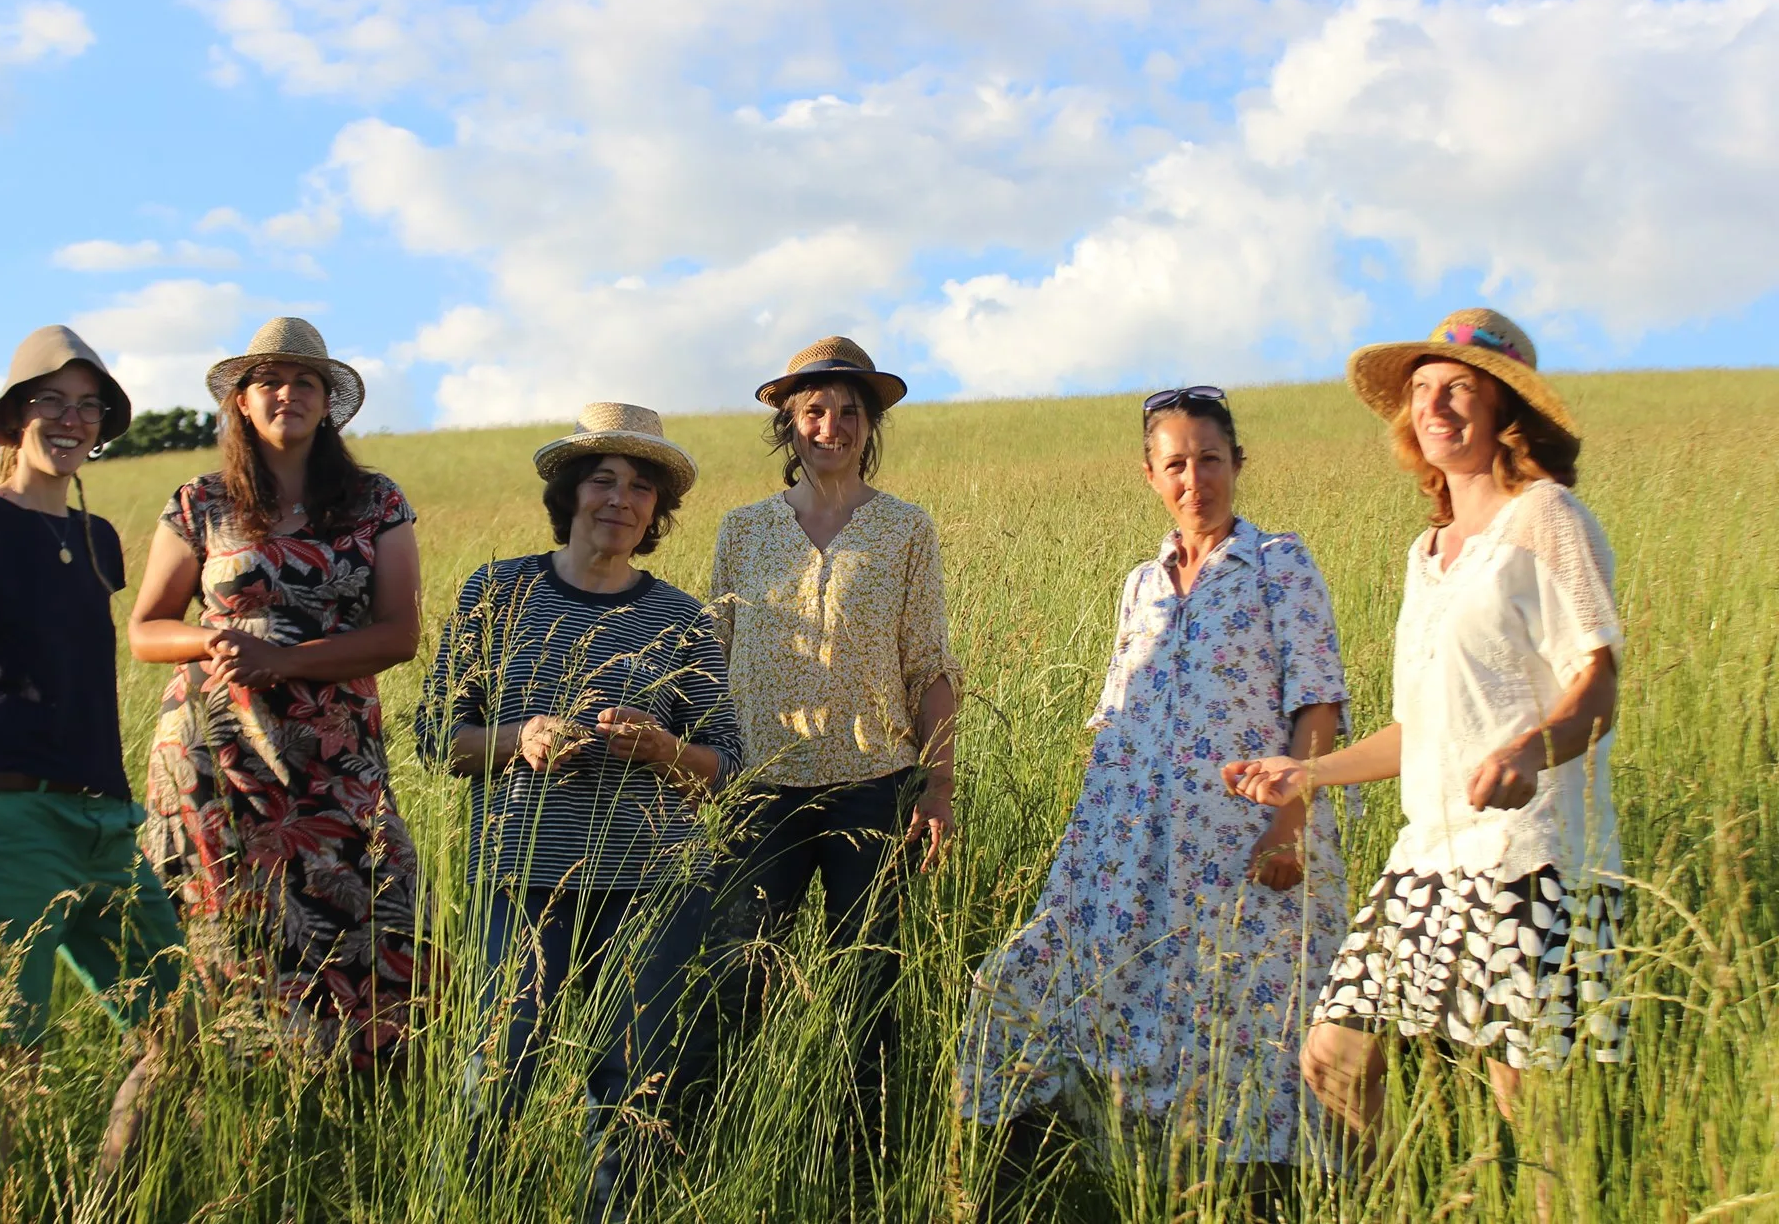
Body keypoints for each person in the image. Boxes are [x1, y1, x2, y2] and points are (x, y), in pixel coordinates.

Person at [1226, 308, 1627, 1152]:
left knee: (1534, 1106)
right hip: (1430, 855)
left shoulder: (1547, 517)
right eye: (1421, 390)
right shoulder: (1429, 551)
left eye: (1459, 388)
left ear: (1505, 408)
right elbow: (1419, 728)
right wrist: (1310, 774)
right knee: (1334, 1058)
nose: (1435, 405)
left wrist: (1529, 749)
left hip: (1530, 853)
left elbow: (1598, 684)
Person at [955, 387, 1350, 1204]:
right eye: (1176, 463)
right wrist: (1085, 848)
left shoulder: (1280, 564)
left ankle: (1263, 1191)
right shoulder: (1142, 583)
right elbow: (1116, 720)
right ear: (1150, 474)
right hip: (1130, 844)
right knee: (1040, 980)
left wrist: (1290, 819)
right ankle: (1079, 1172)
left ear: (1237, 464)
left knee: (1242, 1013)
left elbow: (1319, 704)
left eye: (1210, 459)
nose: (1194, 478)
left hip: (1244, 844)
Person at [419, 403, 741, 1213]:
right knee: (498, 1072)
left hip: (654, 885)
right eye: (604, 479)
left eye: (641, 487)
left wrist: (664, 750)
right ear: (570, 492)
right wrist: (516, 739)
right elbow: (435, 736)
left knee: (631, 1092)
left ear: (657, 512)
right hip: (523, 876)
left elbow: (726, 762)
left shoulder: (683, 618)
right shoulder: (498, 591)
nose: (621, 500)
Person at [0, 325, 184, 1174]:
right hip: (9, 819)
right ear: (14, 417)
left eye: (88, 405)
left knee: (180, 1032)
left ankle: (103, 1198)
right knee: (6, 1059)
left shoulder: (99, 544)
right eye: (51, 402)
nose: (71, 420)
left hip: (106, 824)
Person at [131, 316, 434, 1067]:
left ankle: (366, 1083)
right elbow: (146, 628)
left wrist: (285, 658)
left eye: (305, 382)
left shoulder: (375, 501)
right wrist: (218, 641)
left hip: (333, 753)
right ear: (240, 400)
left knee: (374, 894)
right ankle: (227, 1084)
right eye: (268, 380)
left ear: (327, 402)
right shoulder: (200, 501)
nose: (287, 393)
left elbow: (400, 633)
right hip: (215, 750)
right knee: (227, 915)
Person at [695, 336, 960, 1143]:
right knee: (738, 971)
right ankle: (733, 1132)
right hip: (759, 785)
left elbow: (931, 668)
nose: (832, 424)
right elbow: (710, 657)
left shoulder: (906, 530)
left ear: (869, 426)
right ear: (789, 423)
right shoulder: (743, 531)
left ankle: (860, 1149)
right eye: (815, 410)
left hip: (874, 782)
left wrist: (940, 786)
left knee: (867, 979)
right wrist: (699, 773)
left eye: (850, 411)